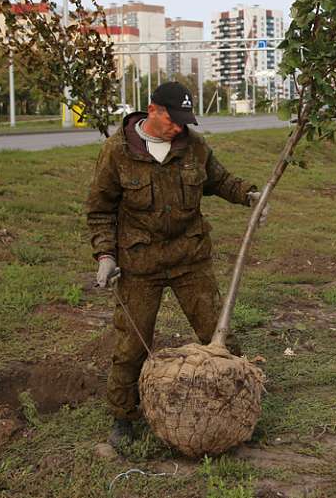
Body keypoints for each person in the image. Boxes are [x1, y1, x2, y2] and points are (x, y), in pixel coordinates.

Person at [86, 81, 268, 446]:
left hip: (190, 259)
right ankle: (123, 416)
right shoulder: (117, 151)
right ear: (153, 110)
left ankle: (235, 405)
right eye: (173, 119)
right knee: (131, 346)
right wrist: (106, 256)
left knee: (217, 334)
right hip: (140, 265)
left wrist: (250, 196)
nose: (179, 128)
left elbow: (220, 180)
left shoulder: (193, 146)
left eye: (185, 121)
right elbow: (100, 211)